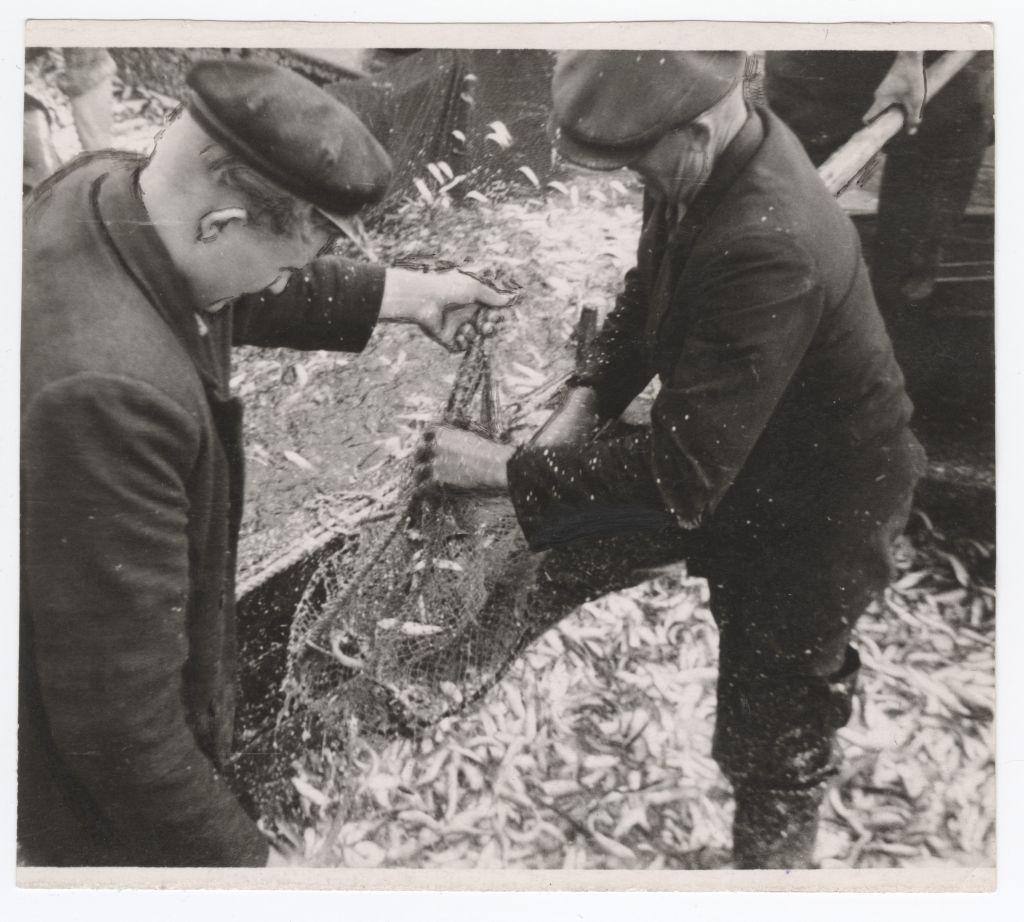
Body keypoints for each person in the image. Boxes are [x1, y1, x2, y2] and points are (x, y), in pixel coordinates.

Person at [420, 51, 926, 868]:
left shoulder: (772, 241)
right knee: (545, 552)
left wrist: (499, 468)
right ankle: (439, 682)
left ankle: (774, 873)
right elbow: (648, 286)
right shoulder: (704, 161)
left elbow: (675, 482)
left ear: (694, 128)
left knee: (771, 736)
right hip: (721, 447)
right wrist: (583, 402)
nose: (629, 183)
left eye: (634, 165)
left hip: (819, 504)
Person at [20, 58, 509, 868]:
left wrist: (412, 292)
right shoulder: (108, 399)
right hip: (76, 794)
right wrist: (253, 876)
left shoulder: (110, 190)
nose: (282, 283)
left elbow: (243, 286)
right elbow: (118, 729)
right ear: (221, 223)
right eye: (282, 263)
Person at [763, 50, 994, 307]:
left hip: (949, 58)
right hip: (826, 49)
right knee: (778, 230)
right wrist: (910, 56)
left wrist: (911, 56)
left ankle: (894, 310)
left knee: (911, 255)